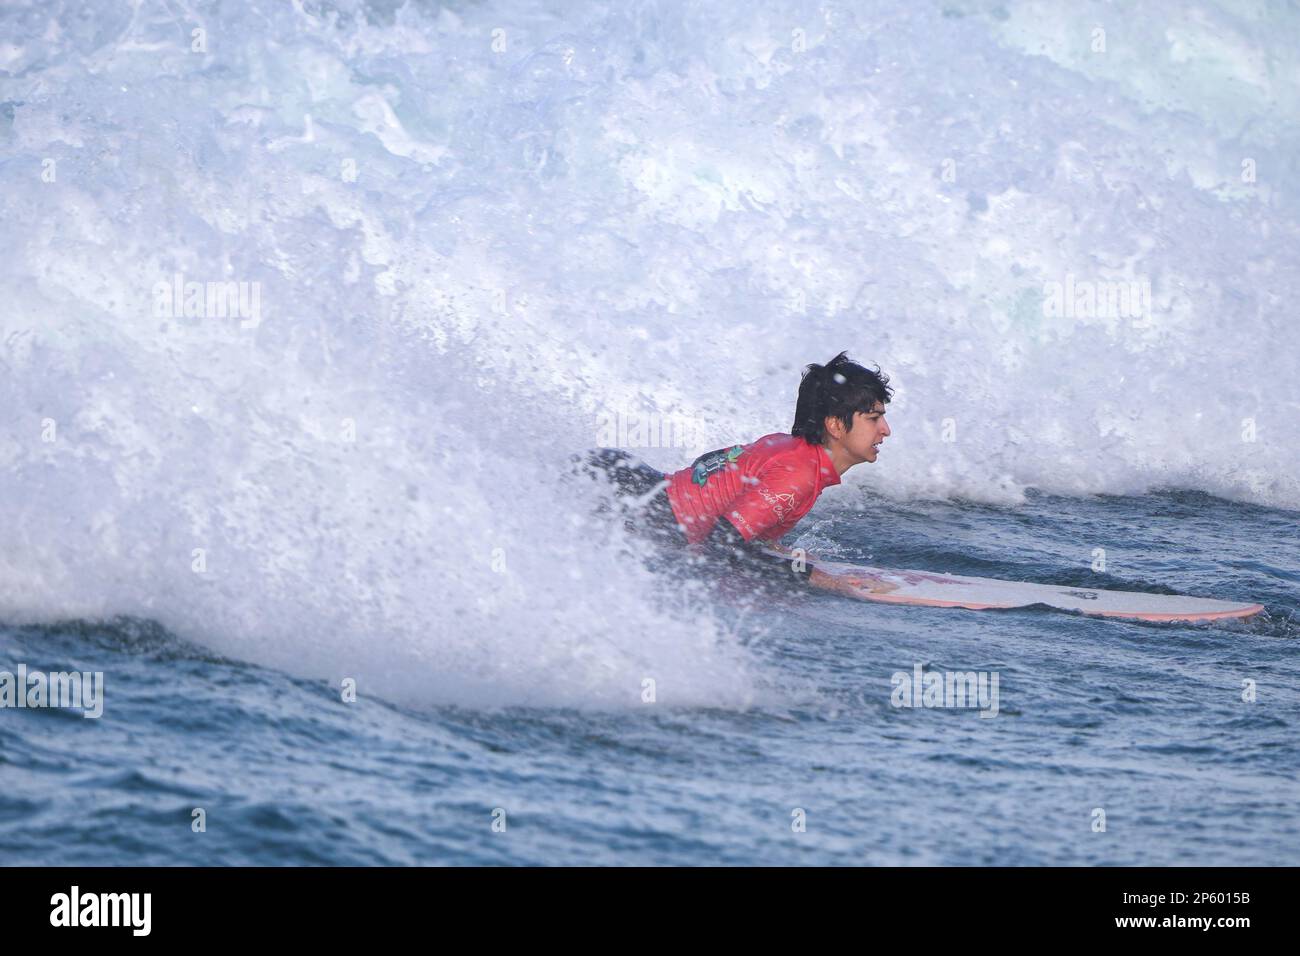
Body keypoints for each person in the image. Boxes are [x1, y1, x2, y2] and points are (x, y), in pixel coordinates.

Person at [574, 352, 893, 597]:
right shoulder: (798, 475)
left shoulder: (797, 454)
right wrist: (822, 580)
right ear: (835, 425)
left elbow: (735, 520)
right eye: (873, 418)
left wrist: (796, 558)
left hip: (619, 482)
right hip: (612, 495)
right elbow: (720, 547)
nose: (885, 430)